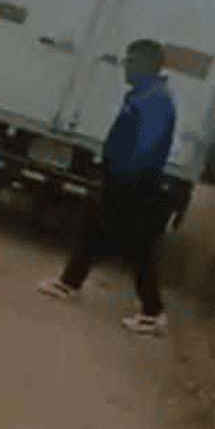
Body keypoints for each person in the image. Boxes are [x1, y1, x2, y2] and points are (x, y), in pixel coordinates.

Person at [36, 39, 177, 335]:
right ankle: (69, 283)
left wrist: (122, 180)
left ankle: (153, 314)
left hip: (134, 185)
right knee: (95, 231)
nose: (126, 67)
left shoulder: (155, 100)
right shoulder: (142, 95)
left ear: (148, 66)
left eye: (132, 62)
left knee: (138, 249)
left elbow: (146, 149)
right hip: (124, 181)